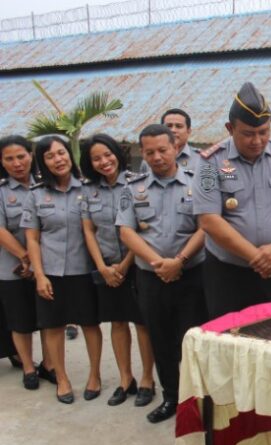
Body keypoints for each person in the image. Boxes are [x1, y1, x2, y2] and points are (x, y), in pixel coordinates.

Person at [193, 82, 271, 319]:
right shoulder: (210, 162)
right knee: (228, 338)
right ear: (230, 128)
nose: (257, 140)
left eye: (263, 132)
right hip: (227, 272)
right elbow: (208, 219)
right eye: (248, 133)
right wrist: (256, 257)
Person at [116, 124, 207, 423]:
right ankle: (171, 397)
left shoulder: (198, 184)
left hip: (192, 275)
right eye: (149, 151)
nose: (157, 157)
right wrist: (161, 264)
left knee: (193, 342)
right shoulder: (132, 188)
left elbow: (206, 226)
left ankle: (199, 402)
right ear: (142, 152)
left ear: (176, 148)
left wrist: (179, 260)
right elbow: (127, 232)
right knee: (161, 340)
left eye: (163, 150)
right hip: (151, 279)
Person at [21, 135, 102, 404]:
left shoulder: (89, 189)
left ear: (70, 154)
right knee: (53, 326)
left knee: (90, 324)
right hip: (51, 270)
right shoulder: (36, 195)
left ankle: (94, 375)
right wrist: (39, 275)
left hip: (84, 269)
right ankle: (63, 378)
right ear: (43, 162)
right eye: (50, 156)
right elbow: (32, 238)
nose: (58, 159)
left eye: (62, 153)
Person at [79, 134, 156, 407]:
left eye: (107, 155)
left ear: (117, 153)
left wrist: (124, 266)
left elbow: (144, 228)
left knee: (143, 323)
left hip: (137, 265)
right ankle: (126, 379)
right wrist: (102, 267)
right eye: (96, 158)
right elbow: (89, 230)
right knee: (117, 322)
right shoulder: (88, 189)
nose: (104, 162)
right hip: (106, 266)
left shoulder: (138, 183)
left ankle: (147, 378)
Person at [0, 135, 51, 389]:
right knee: (19, 320)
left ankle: (50, 364)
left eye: (21, 156)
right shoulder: (1, 190)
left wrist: (36, 262)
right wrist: (24, 256)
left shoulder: (46, 184)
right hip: (12, 268)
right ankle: (29, 367)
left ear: (31, 156)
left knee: (49, 318)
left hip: (47, 265)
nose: (17, 163)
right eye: (9, 159)